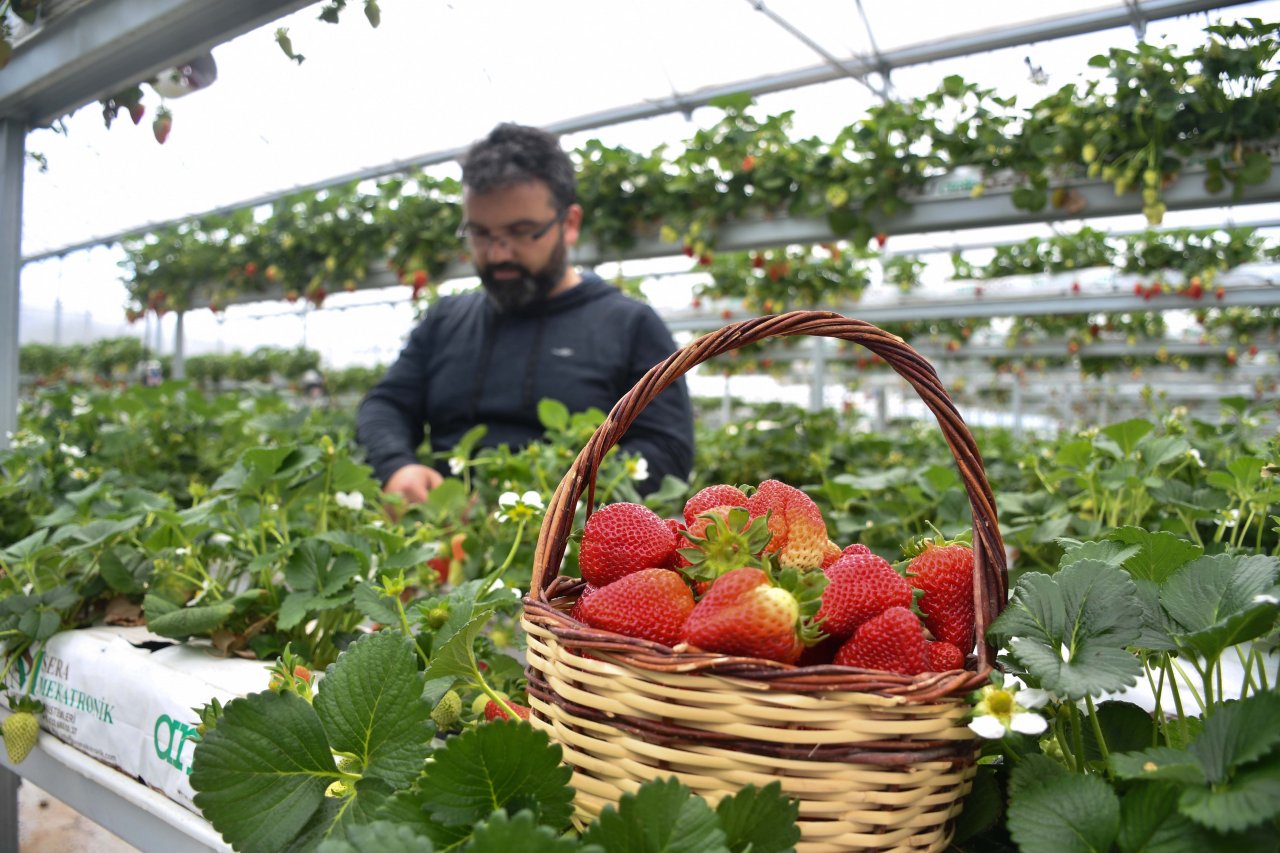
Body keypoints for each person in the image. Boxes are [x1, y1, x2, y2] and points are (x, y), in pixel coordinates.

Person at [356, 122, 694, 506]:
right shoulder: (445, 320)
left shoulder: (630, 325)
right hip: (445, 541)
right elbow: (385, 405)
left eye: (521, 231)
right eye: (480, 234)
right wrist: (397, 466)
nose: (498, 253)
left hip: (569, 551)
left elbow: (668, 451)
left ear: (569, 224)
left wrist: (551, 504)